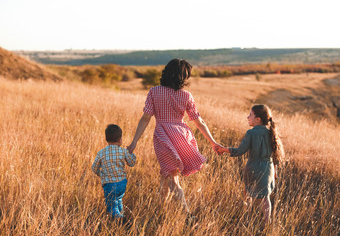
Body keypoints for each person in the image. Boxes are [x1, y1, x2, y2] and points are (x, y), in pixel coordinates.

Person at [127, 59, 221, 214]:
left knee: (172, 180)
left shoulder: (154, 91)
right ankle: (160, 209)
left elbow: (145, 118)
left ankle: (187, 213)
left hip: (163, 138)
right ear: (182, 77)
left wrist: (134, 142)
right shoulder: (186, 95)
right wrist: (213, 142)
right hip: (181, 137)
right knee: (167, 173)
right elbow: (199, 121)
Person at [217, 105, 284, 225]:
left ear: (258, 119)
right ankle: (268, 222)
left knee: (247, 193)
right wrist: (275, 169)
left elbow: (240, 151)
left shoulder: (251, 133)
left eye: (250, 115)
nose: (248, 117)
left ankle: (247, 217)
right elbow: (276, 156)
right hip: (268, 169)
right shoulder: (271, 133)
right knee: (265, 197)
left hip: (253, 167)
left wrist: (224, 149)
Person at [92, 124, 136, 219]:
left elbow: (94, 168)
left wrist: (102, 174)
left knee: (112, 205)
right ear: (120, 139)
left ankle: (120, 219)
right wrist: (131, 153)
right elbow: (132, 163)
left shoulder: (101, 153)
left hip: (109, 184)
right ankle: (122, 215)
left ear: (106, 139)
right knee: (118, 199)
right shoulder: (123, 151)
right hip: (122, 183)